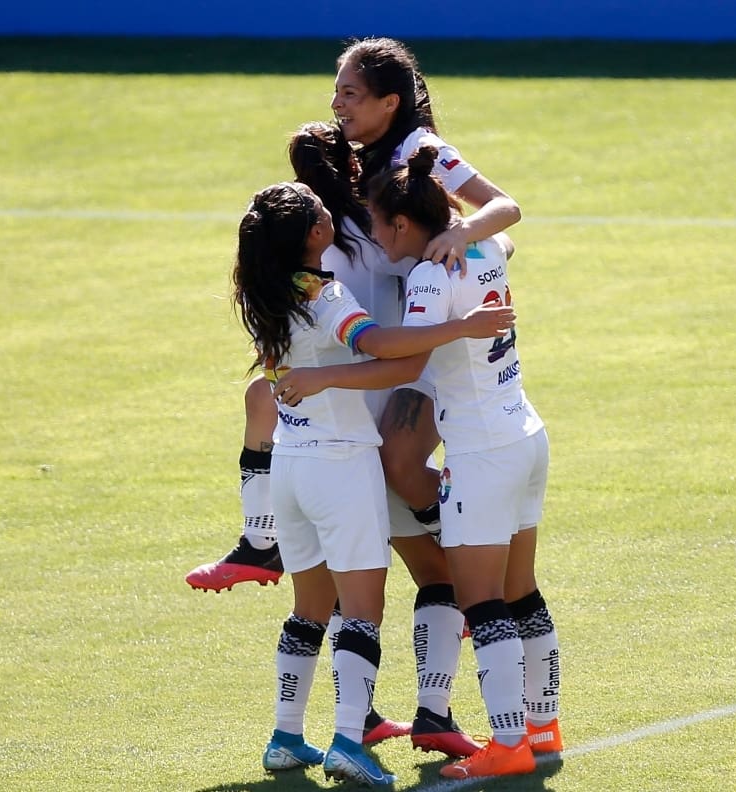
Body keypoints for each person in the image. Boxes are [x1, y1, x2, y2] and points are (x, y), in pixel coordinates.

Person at [186, 36, 524, 595]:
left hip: (408, 344)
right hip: (372, 340)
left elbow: (505, 211)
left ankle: (464, 559)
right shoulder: (364, 165)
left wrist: (461, 235)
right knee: (265, 403)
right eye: (336, 93)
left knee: (393, 475)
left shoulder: (421, 147)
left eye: (351, 93)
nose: (338, 105)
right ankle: (262, 543)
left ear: (389, 102)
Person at [270, 146, 561, 780]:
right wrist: (461, 227)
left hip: (480, 453)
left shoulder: (429, 276)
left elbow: (405, 363)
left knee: (482, 600)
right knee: (524, 590)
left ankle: (508, 743)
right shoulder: (484, 248)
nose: (372, 238)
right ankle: (543, 725)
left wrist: (320, 380)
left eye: (377, 223)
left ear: (402, 225)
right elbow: (500, 228)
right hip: (525, 432)